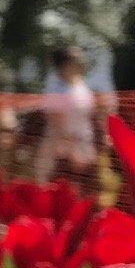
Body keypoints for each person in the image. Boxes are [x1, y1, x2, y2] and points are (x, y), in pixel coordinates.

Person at [35, 45, 99, 187]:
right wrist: (72, 151)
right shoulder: (55, 88)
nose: (82, 62)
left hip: (83, 146)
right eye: (77, 58)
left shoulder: (81, 86)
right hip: (62, 151)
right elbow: (56, 122)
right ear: (65, 64)